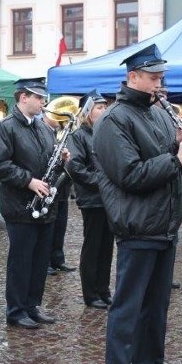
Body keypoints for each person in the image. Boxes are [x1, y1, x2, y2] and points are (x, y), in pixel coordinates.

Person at [93, 44, 182, 364]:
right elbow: (131, 175)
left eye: (161, 78)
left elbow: (167, 168)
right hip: (138, 226)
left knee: (156, 308)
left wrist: (180, 149)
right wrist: (177, 157)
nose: (160, 84)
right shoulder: (114, 120)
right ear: (132, 77)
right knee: (127, 310)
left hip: (164, 225)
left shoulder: (157, 114)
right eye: (154, 77)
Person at [0, 77, 67, 329]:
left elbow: (48, 161)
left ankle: (32, 305)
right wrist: (28, 181)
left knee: (39, 259)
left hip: (44, 205)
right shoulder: (6, 127)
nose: (44, 102)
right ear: (24, 97)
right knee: (21, 260)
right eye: (39, 97)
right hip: (20, 205)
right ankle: (16, 310)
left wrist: (62, 160)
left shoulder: (45, 128)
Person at [66, 89, 112, 309]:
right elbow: (75, 167)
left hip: (109, 199)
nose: (104, 110)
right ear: (87, 111)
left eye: (105, 107)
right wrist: (102, 181)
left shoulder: (107, 132)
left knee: (107, 247)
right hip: (92, 198)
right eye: (99, 107)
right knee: (93, 246)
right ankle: (90, 293)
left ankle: (103, 289)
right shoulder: (78, 136)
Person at [41, 111, 77, 276]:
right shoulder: (41, 130)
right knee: (49, 226)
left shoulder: (60, 132)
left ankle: (58, 259)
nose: (59, 120)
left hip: (62, 187)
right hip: (47, 186)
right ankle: (46, 262)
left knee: (60, 225)